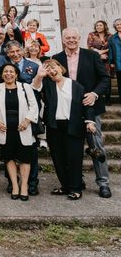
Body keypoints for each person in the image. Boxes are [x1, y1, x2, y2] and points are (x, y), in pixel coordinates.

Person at [53, 27, 111, 198]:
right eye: (68, 37)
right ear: (63, 39)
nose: (71, 40)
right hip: (66, 111)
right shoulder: (57, 58)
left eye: (74, 37)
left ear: (79, 38)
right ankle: (77, 182)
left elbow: (105, 78)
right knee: (71, 149)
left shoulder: (91, 55)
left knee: (96, 146)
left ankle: (103, 183)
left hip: (89, 107)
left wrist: (95, 94)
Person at [32, 60, 97, 200]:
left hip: (73, 126)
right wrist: (40, 75)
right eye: (48, 70)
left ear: (61, 68)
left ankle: (76, 188)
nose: (52, 71)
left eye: (53, 67)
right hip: (54, 126)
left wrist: (89, 122)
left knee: (74, 158)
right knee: (58, 158)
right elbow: (34, 89)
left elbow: (87, 104)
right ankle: (65, 186)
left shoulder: (76, 85)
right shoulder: (47, 85)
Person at [0, 63, 39, 201]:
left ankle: (24, 186)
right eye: (5, 71)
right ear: (2, 74)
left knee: (25, 158)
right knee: (8, 157)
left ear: (16, 74)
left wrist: (27, 121)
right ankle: (15, 185)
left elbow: (34, 106)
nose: (8, 74)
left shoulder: (25, 87)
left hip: (23, 128)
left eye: (11, 71)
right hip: (5, 129)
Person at [88, 20, 112, 105]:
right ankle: (98, 97)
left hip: (107, 60)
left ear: (104, 26)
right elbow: (90, 47)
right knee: (97, 78)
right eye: (97, 25)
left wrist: (104, 52)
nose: (98, 27)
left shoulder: (110, 36)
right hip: (95, 59)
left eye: (100, 25)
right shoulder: (92, 35)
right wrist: (99, 54)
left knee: (107, 78)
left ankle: (108, 99)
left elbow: (111, 47)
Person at [110, 18, 121, 101]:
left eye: (120, 24)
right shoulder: (112, 38)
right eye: (117, 24)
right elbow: (111, 51)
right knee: (120, 84)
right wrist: (111, 62)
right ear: (115, 26)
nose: (119, 26)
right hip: (118, 64)